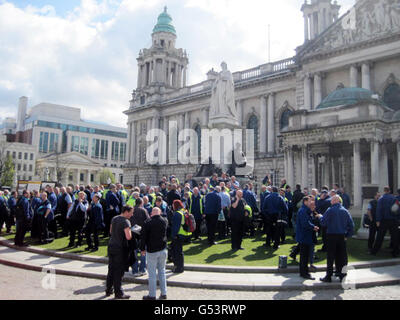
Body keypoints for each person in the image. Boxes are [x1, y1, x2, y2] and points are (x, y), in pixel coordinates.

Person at [319, 195, 355, 282]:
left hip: (331, 235)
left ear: (334, 201)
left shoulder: (330, 210)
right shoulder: (345, 211)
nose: (330, 201)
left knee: (331, 256)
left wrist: (320, 217)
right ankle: (342, 274)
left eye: (331, 200)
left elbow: (323, 223)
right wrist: (347, 235)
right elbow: (351, 225)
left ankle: (329, 276)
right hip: (342, 236)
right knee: (342, 256)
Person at [140, 207, 168, 300]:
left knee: (152, 274)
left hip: (152, 250)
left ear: (152, 213)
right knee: (162, 272)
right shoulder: (164, 221)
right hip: (162, 249)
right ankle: (164, 293)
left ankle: (152, 295)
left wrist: (142, 249)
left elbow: (143, 237)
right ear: (159, 213)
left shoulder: (148, 222)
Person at [106, 205, 133, 299]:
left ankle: (108, 289)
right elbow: (128, 237)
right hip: (120, 248)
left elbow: (110, 231)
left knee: (111, 268)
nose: (132, 214)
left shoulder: (114, 218)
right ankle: (119, 293)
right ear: (126, 212)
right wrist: (132, 231)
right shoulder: (126, 221)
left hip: (111, 245)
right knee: (119, 271)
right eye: (131, 212)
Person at [370, 187, 399, 257]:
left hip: (384, 220)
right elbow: (397, 209)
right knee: (395, 237)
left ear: (384, 191)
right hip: (393, 220)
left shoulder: (381, 199)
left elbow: (379, 210)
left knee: (380, 237)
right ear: (389, 191)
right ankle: (395, 252)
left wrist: (378, 220)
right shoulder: (394, 198)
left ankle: (374, 251)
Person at [296, 196, 319, 280]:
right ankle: (304, 273)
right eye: (309, 201)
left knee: (304, 256)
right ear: (305, 202)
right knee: (304, 256)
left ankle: (304, 272)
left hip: (305, 236)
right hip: (304, 236)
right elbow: (305, 223)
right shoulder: (303, 211)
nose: (311, 202)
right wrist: (314, 227)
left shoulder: (305, 210)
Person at [131, 198, 150, 277]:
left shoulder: (131, 210)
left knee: (134, 252)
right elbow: (148, 220)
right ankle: (142, 269)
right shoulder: (143, 210)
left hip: (133, 233)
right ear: (141, 203)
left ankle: (135, 270)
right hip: (142, 234)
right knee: (143, 251)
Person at [170, 200, 191, 273]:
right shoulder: (184, 211)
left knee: (177, 251)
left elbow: (176, 226)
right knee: (179, 251)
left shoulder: (177, 213)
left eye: (173, 204)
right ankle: (180, 266)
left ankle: (179, 267)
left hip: (178, 234)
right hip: (184, 233)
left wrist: (173, 235)